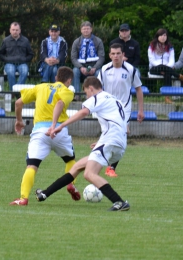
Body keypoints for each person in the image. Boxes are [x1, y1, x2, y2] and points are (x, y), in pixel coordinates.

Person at [35, 76, 130, 211]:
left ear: (90, 88)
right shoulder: (115, 100)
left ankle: (119, 202)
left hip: (110, 140)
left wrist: (61, 126)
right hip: (118, 142)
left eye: (86, 93)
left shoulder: (98, 98)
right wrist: (101, 141)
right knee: (78, 166)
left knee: (89, 174)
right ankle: (44, 194)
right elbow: (121, 124)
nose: (87, 96)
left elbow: (84, 112)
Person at [9, 66, 80, 206]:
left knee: (32, 166)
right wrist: (54, 125)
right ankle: (70, 183)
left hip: (40, 132)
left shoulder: (40, 87)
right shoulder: (67, 91)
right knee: (71, 161)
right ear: (69, 80)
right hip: (59, 131)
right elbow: (59, 102)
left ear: (55, 78)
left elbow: (18, 103)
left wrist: (19, 120)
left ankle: (23, 198)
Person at [98, 43, 144, 177]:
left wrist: (141, 110)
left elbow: (139, 89)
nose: (116, 56)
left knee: (121, 134)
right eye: (113, 54)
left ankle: (111, 168)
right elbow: (98, 89)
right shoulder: (104, 69)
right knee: (109, 136)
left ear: (123, 54)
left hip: (124, 109)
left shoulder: (130, 70)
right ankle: (101, 162)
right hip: (107, 108)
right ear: (109, 55)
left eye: (118, 53)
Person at [71, 21, 105, 99]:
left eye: (87, 29)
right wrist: (80, 67)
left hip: (94, 66)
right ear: (81, 30)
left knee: (98, 72)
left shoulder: (98, 41)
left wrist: (95, 67)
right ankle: (77, 95)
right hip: (81, 66)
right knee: (75, 71)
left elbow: (102, 57)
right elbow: (73, 58)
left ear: (91, 29)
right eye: (84, 29)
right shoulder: (76, 42)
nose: (86, 31)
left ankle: (96, 95)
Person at [148, 28, 183, 104]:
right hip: (154, 68)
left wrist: (166, 67)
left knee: (168, 74)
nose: (163, 37)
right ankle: (179, 76)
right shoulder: (152, 46)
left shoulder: (170, 46)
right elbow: (152, 60)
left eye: (164, 35)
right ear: (157, 36)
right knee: (167, 71)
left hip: (167, 69)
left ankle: (167, 98)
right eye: (161, 35)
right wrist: (161, 66)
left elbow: (172, 61)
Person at [0, 22, 34, 91]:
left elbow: (31, 54)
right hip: (9, 64)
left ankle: (16, 91)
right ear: (10, 30)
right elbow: (0, 54)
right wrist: (6, 59)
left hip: (22, 64)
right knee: (10, 72)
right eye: (13, 30)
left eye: (17, 30)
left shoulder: (25, 41)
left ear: (20, 30)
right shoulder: (6, 41)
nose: (15, 31)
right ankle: (14, 92)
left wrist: (25, 59)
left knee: (25, 71)